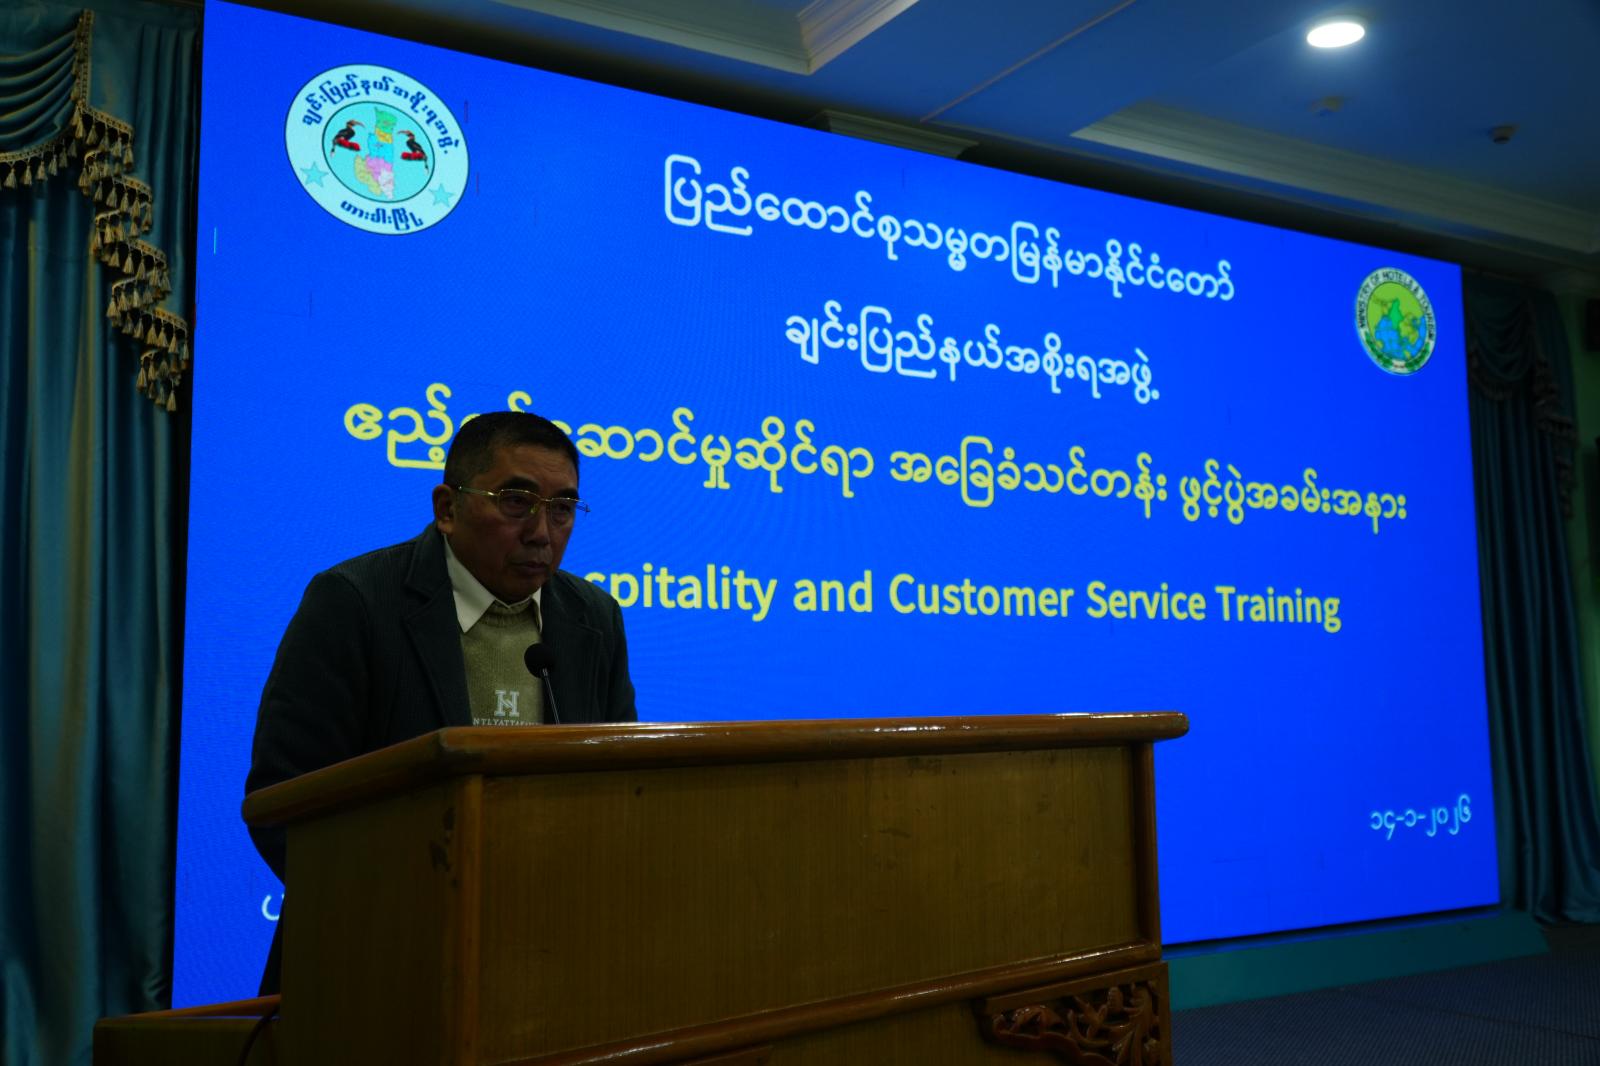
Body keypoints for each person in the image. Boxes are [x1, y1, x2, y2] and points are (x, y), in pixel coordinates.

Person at [244, 410, 636, 992]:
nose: (542, 532)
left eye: (562, 508)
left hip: (548, 959)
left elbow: (620, 795)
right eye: (516, 501)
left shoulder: (593, 619)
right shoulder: (354, 603)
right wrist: (417, 916)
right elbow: (284, 802)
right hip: (374, 965)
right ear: (447, 508)